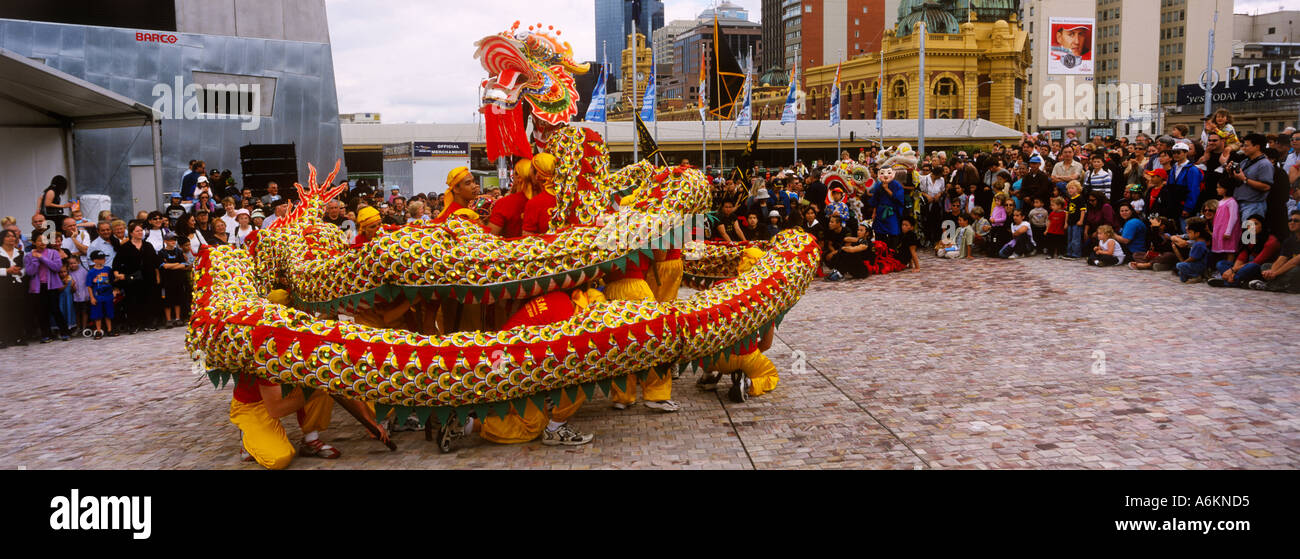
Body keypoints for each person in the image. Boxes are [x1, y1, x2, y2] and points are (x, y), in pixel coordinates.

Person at [1210, 215, 1280, 288]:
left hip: (1264, 270)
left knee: (1252, 266)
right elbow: (1241, 259)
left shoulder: (1271, 241)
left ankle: (1227, 283)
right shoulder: (1250, 238)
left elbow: (1257, 262)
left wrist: (1232, 270)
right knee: (1221, 263)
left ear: (1262, 226)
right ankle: (1237, 280)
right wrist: (1232, 272)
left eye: (1255, 224)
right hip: (1246, 269)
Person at [114, 222, 159, 333]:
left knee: (148, 301)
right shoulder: (125, 247)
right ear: (131, 233)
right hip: (133, 279)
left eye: (141, 231)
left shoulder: (148, 245)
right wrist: (116, 273)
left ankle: (148, 323)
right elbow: (117, 263)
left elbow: (155, 262)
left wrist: (157, 276)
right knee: (132, 302)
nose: (140, 233)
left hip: (148, 278)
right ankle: (134, 325)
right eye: (137, 231)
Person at [25, 230, 69, 342]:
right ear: (34, 242)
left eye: (44, 240)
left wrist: (41, 257)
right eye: (39, 240)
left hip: (52, 286)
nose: (42, 242)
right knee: (41, 311)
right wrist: (35, 259)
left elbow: (56, 267)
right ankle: (46, 335)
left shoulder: (53, 253)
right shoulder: (29, 256)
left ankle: (64, 332)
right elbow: (30, 272)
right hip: (38, 288)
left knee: (55, 309)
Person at [1245, 210, 1300, 293]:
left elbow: (1294, 262)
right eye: (1290, 220)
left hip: (1296, 269)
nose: (1292, 222)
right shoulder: (1289, 241)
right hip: (1289, 270)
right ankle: (1282, 286)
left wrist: (1275, 273)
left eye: (1296, 221)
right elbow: (1282, 259)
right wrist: (1271, 272)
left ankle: (1269, 286)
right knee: (1265, 266)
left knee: (1296, 270)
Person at [1232, 134, 1273, 225]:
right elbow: (1239, 180)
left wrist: (1245, 179)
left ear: (1257, 147)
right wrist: (1231, 172)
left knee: (1249, 236)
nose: (1243, 148)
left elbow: (1266, 186)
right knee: (1241, 236)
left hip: (1253, 205)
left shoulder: (1265, 164)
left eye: (1246, 146)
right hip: (1239, 203)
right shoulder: (1245, 162)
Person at [488, 159, 533, 237]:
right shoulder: (545, 200)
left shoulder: (505, 203)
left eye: (513, 174)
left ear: (518, 176)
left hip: (509, 247)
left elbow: (490, 235)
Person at [0, 229, 28, 347]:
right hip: (2, 286)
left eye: (13, 236)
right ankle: (3, 339)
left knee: (18, 311)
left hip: (17, 285)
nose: (11, 239)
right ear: (2, 238)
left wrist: (20, 272)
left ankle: (19, 337)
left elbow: (25, 268)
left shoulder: (20, 253)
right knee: (3, 312)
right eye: (8, 236)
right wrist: (7, 270)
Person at [157, 233, 189, 327]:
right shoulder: (161, 252)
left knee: (178, 299)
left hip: (177, 279)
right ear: (165, 241)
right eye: (170, 240)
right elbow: (164, 266)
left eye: (174, 240)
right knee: (167, 300)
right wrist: (177, 264)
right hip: (166, 280)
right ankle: (168, 319)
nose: (173, 242)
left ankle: (178, 318)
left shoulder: (178, 251)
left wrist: (171, 265)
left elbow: (183, 265)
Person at [86, 250, 116, 338]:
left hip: (108, 295)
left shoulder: (108, 269)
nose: (103, 260)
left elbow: (112, 281)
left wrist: (114, 290)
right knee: (97, 314)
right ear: (94, 260)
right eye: (100, 258)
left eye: (103, 258)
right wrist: (92, 297)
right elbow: (89, 286)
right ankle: (98, 331)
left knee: (109, 313)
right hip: (98, 295)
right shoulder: (91, 272)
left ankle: (110, 329)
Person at [1175, 219, 1210, 283]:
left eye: (1190, 232)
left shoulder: (1199, 244)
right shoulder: (1198, 243)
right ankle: (1190, 276)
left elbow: (1193, 258)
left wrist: (1185, 262)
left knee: (1179, 265)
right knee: (1181, 274)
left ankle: (1196, 276)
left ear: (1197, 234)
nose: (1188, 235)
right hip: (1194, 265)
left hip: (1198, 266)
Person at [1064, 181, 1086, 259]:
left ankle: (1076, 254)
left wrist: (1081, 220)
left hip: (1077, 222)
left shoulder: (1080, 198)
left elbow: (1082, 210)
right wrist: (1066, 222)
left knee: (1076, 239)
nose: (1070, 190)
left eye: (1072, 188)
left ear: (1078, 189)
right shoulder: (1070, 199)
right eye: (1069, 188)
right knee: (1069, 238)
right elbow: (1067, 212)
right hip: (1070, 222)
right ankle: (1069, 252)